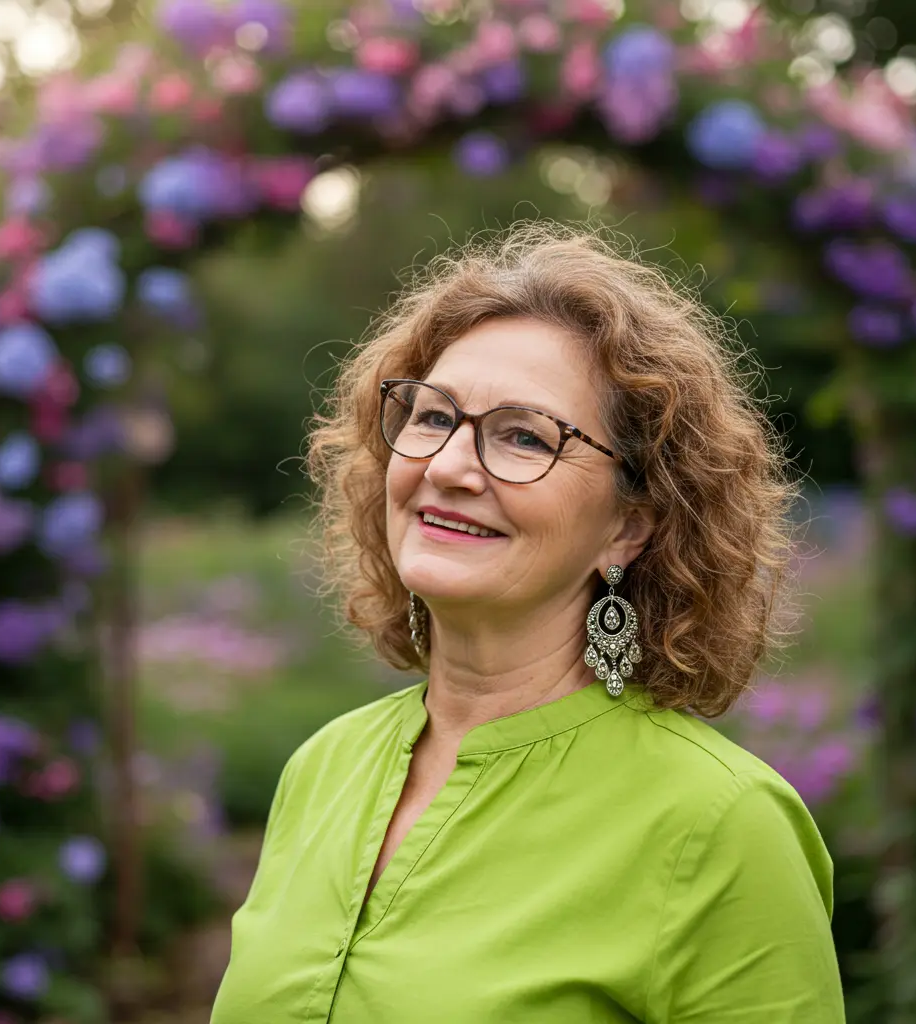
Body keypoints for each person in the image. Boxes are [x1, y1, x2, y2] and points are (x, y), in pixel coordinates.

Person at [210, 222, 845, 1022]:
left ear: (630, 526)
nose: (446, 468)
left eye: (523, 436)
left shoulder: (721, 826)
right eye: (433, 417)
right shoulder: (322, 769)